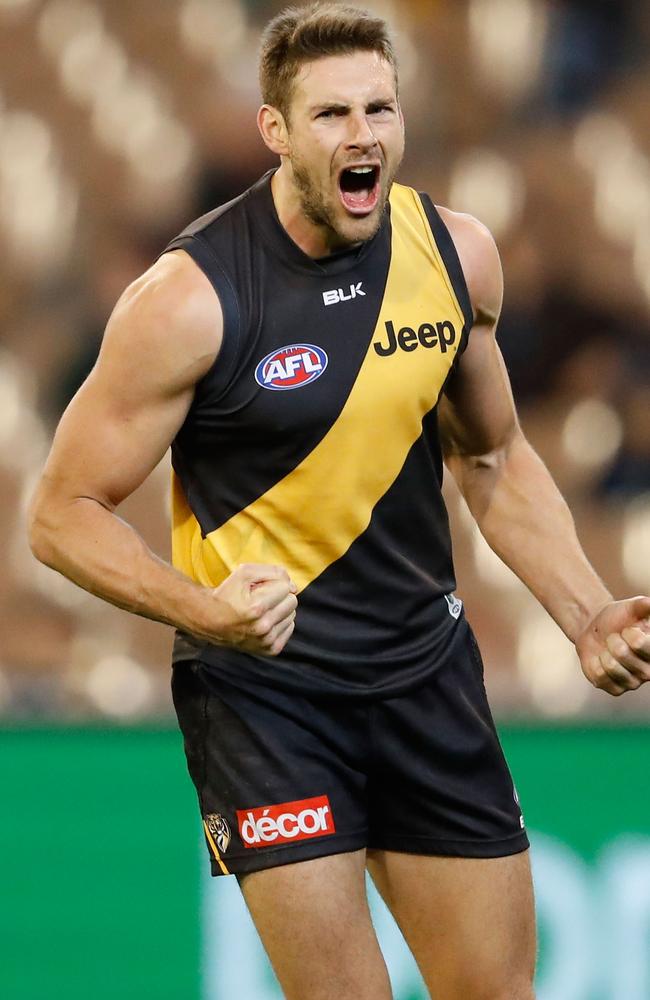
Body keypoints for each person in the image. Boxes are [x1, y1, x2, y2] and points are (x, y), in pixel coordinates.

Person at [29, 4, 650, 999]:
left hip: (424, 674)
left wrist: (581, 616)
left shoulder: (455, 257)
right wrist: (205, 612)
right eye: (328, 114)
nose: (360, 134)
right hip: (267, 697)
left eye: (377, 108)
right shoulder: (188, 301)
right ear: (275, 132)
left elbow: (491, 459)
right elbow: (59, 512)